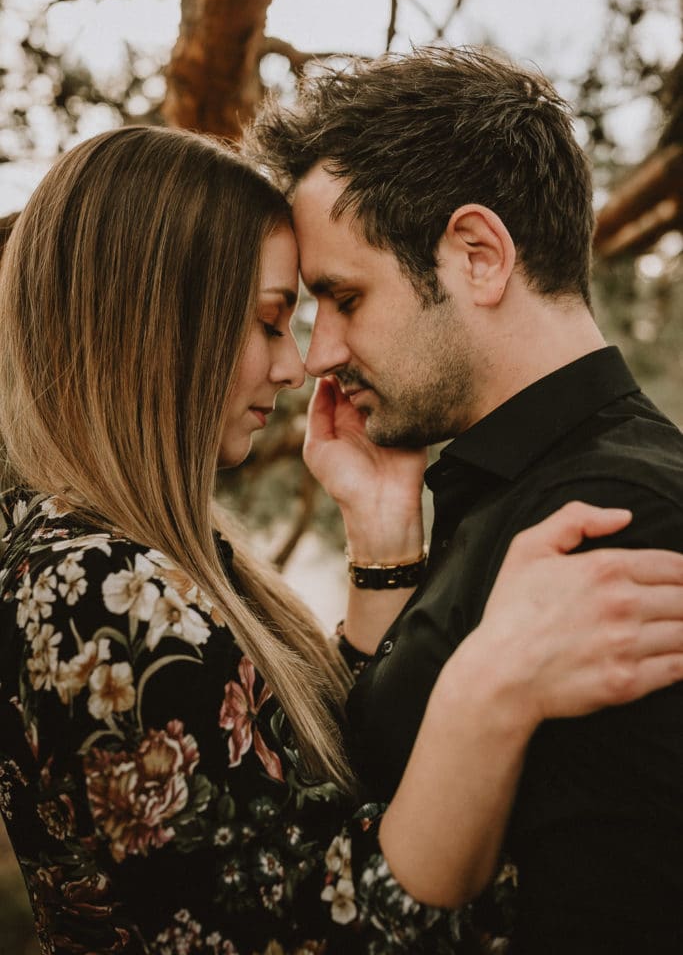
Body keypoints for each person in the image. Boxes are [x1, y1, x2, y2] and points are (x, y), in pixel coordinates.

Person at [0, 129, 681, 955]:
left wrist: (382, 546)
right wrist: (489, 689)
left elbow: (328, 791)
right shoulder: (87, 584)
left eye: (339, 302)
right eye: (270, 321)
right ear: (154, 325)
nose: (301, 365)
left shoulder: (140, 557)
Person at [247, 46, 683, 953]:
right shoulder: (499, 493)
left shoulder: (614, 521)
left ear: (477, 256)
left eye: (342, 297)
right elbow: (380, 786)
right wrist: (381, 544)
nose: (318, 354)